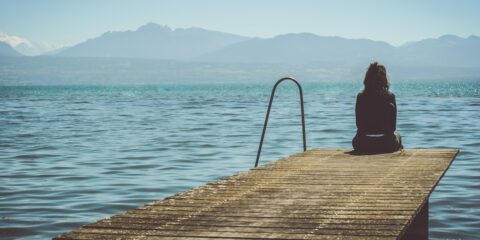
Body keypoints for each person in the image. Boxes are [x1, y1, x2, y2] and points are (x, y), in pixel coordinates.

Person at [352, 62, 403, 153]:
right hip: (386, 143)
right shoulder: (390, 97)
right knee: (398, 136)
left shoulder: (361, 97)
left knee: (356, 139)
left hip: (363, 143)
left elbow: (358, 124)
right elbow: (393, 128)